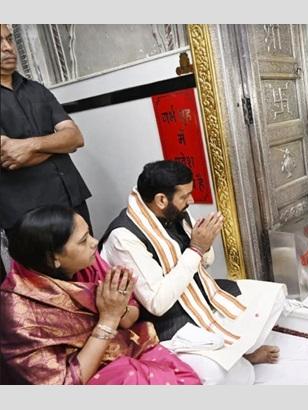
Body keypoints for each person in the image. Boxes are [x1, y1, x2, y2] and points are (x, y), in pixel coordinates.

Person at [100, 160, 286, 384]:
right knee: (225, 375)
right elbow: (157, 303)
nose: (192, 200)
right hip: (167, 321)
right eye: (185, 196)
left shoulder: (173, 212)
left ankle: (240, 355)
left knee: (275, 295)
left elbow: (203, 263)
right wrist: (196, 248)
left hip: (198, 294)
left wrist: (204, 245)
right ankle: (239, 359)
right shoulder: (124, 238)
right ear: (161, 199)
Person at [0, 205, 201, 385]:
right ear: (53, 259)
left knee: (186, 378)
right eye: (83, 241)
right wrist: (108, 320)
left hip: (122, 345)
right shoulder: (20, 313)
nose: (95, 243)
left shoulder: (88, 262)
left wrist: (117, 310)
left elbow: (130, 314)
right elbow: (64, 383)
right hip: (84, 378)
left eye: (89, 234)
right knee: (131, 375)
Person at [0, 24, 92, 275]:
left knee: (89, 273)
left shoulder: (36, 89)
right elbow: (9, 156)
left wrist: (30, 144)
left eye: (9, 39)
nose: (8, 48)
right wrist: (58, 142)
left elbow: (75, 137)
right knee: (49, 291)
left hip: (71, 200)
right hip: (30, 216)